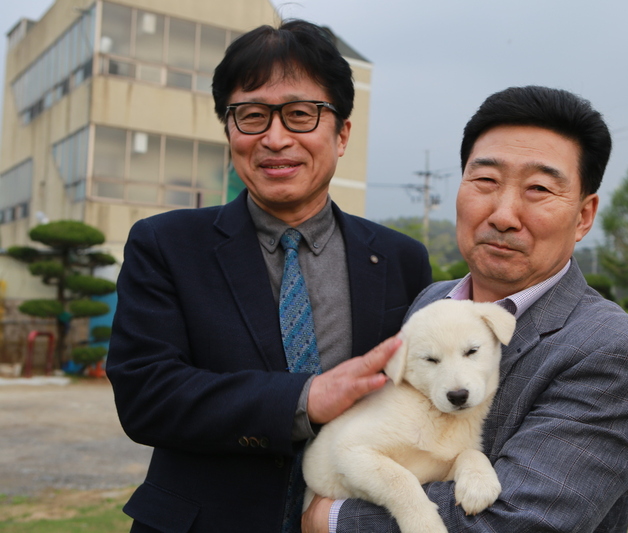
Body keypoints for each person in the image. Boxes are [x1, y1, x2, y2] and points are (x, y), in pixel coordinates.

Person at [105, 20, 432, 533]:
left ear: (342, 133)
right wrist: (304, 400)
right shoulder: (165, 244)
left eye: (301, 115)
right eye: (252, 116)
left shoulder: (400, 258)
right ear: (230, 131)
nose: (275, 138)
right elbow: (147, 396)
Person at [303, 86, 628, 532]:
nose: (503, 214)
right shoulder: (432, 304)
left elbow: (521, 521)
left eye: (538, 188)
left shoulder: (616, 352)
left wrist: (330, 517)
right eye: (485, 181)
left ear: (584, 216)